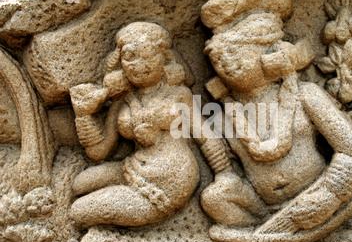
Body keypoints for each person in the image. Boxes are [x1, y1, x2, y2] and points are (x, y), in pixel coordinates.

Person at [199, 0, 352, 242]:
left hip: (325, 193)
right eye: (218, 61)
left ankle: (302, 237)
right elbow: (228, 167)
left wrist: (327, 197)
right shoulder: (223, 115)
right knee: (213, 200)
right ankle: (280, 235)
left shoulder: (305, 96)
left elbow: (351, 148)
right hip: (264, 209)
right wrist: (226, 178)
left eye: (236, 55)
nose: (226, 66)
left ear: (272, 55)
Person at [69, 22, 234, 229]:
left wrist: (225, 174)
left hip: (172, 179)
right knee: (80, 184)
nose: (139, 65)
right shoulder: (123, 99)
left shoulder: (178, 95)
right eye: (130, 57)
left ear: (165, 58)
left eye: (149, 56)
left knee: (78, 212)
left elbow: (205, 137)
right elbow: (99, 151)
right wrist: (83, 115)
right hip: (135, 166)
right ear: (120, 63)